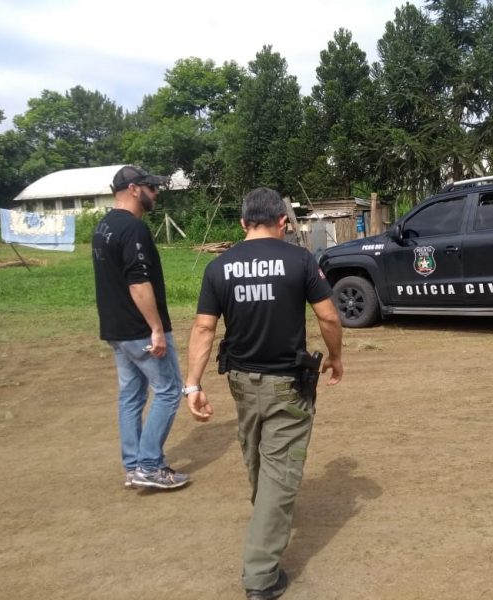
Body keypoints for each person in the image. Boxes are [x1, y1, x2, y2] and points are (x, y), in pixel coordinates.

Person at [184, 187, 343, 599]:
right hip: (288, 384)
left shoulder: (219, 267)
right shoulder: (300, 260)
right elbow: (328, 315)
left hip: (240, 380)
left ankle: (268, 514)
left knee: (256, 452)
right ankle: (261, 577)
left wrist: (192, 384)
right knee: (278, 472)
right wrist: (335, 356)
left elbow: (204, 328)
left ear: (242, 223)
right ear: (282, 222)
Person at [91, 165, 189, 491]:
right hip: (139, 331)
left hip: (116, 330)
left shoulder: (103, 226)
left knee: (131, 397)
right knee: (169, 391)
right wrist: (156, 329)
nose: (156, 192)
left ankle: (133, 466)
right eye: (151, 187)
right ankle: (149, 465)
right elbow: (138, 283)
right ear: (134, 189)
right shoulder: (133, 229)